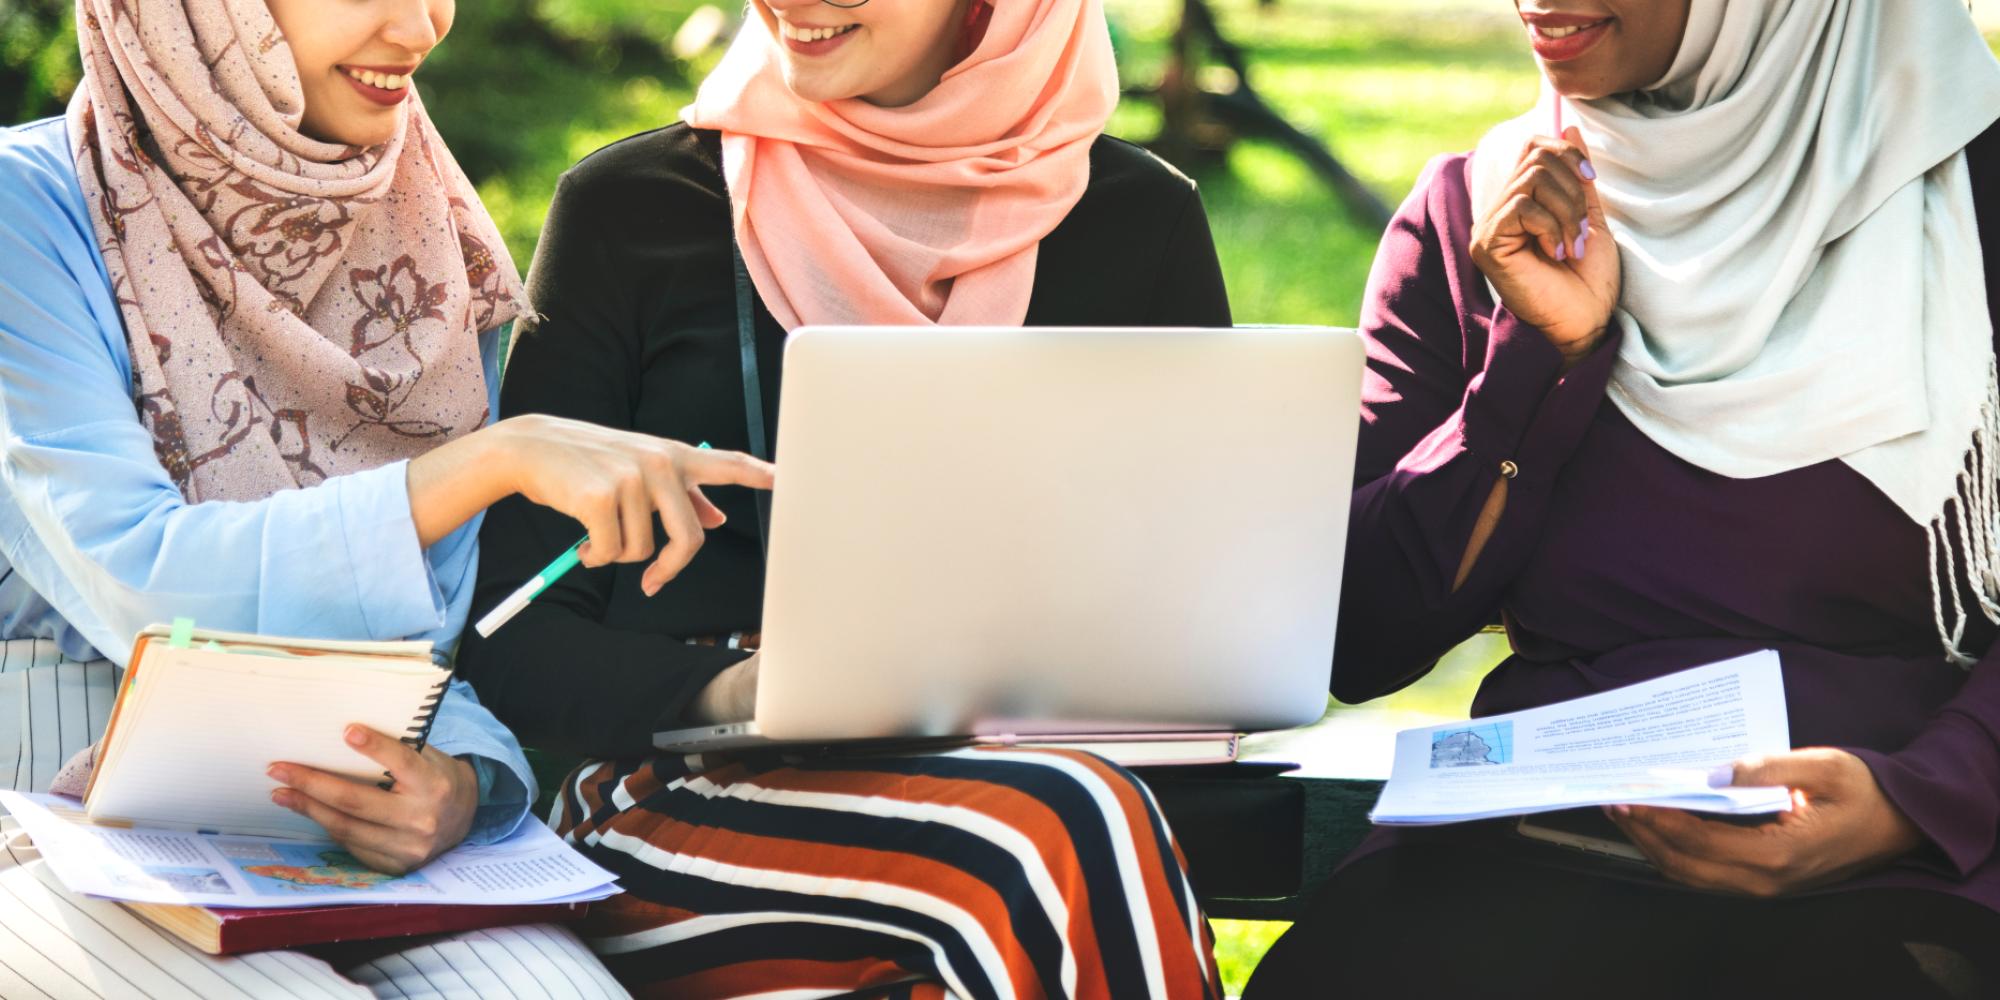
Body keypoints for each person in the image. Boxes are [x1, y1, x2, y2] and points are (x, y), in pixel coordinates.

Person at [456, 0, 1230, 992]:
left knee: (1047, 831)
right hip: (679, 795)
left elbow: (1195, 577)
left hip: (1026, 762)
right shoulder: (630, 208)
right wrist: (737, 694)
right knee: (1054, 835)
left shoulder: (1137, 216)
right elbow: (511, 637)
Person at [0, 0, 766, 993]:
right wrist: (489, 460)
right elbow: (139, 581)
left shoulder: (415, 233)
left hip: (334, 827)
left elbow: (439, 637)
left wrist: (459, 781)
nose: (420, 26)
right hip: (55, 819)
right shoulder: (26, 214)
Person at [1245, 1, 2000, 997]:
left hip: (1902, 862)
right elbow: (1354, 637)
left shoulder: (1972, 204)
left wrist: (1915, 798)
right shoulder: (1480, 218)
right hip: (1520, 852)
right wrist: (1533, 359)